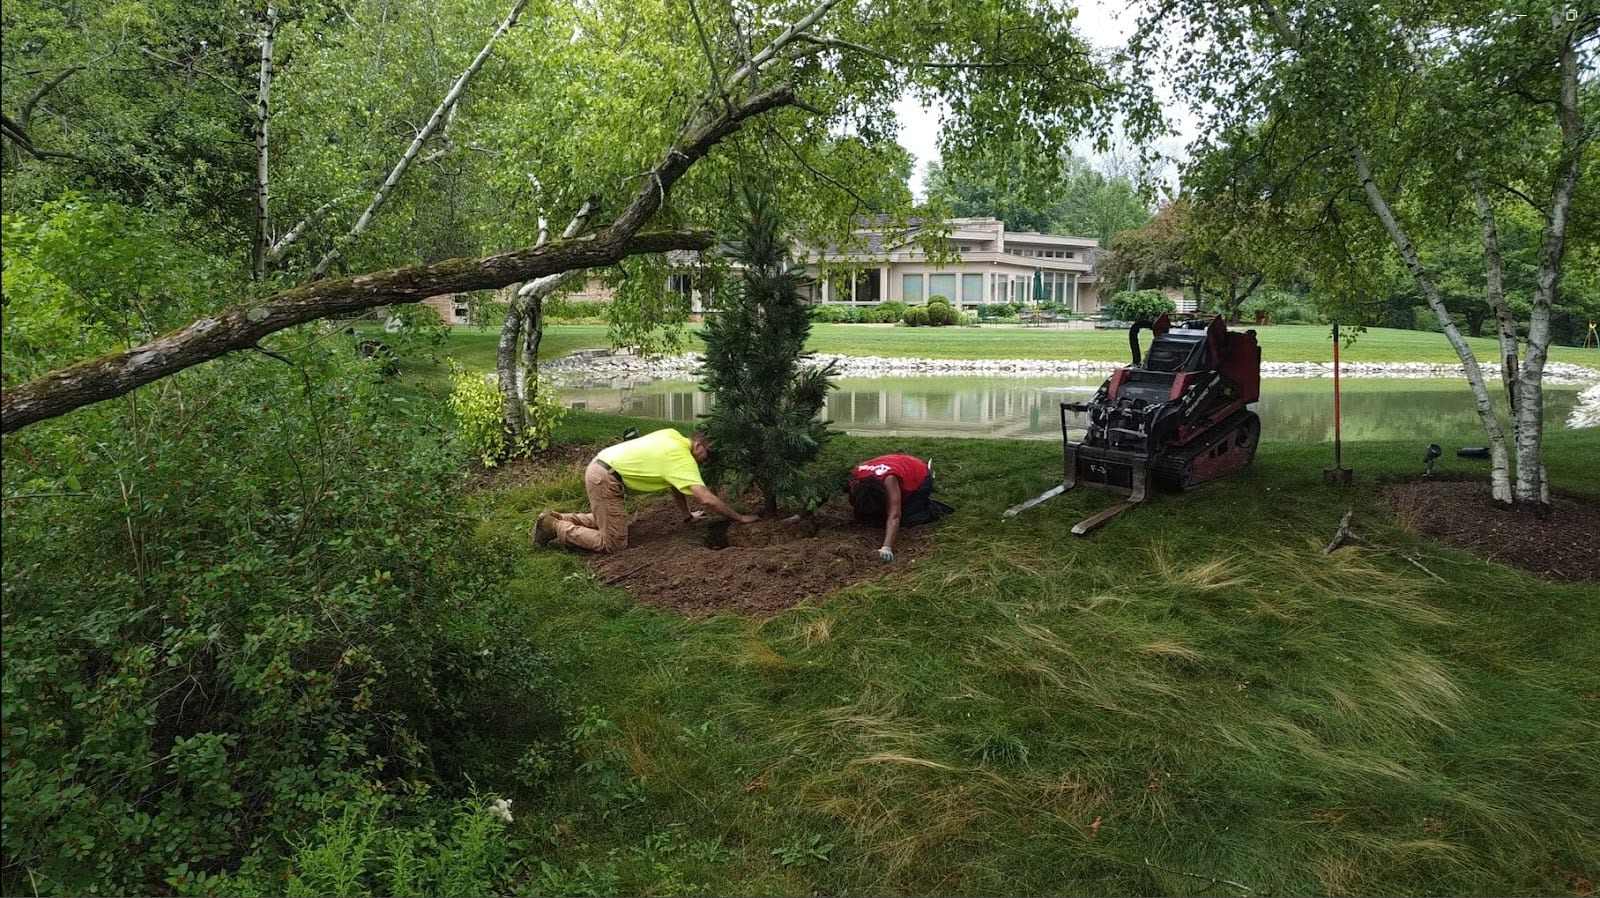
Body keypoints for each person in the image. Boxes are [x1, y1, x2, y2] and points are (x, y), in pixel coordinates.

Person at [534, 428, 757, 553]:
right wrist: (739, 517)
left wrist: (687, 517)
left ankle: (558, 517)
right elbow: (706, 499)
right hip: (605, 478)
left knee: (614, 521)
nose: (705, 461)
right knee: (613, 543)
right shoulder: (682, 457)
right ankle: (556, 527)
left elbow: (676, 485)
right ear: (698, 446)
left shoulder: (673, 436)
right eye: (707, 456)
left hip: (603, 467)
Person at [847, 453, 950, 562]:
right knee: (863, 516)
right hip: (895, 462)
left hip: (920, 475)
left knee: (905, 518)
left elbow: (895, 516)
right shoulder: (855, 479)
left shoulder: (890, 480)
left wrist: (886, 547)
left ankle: (934, 509)